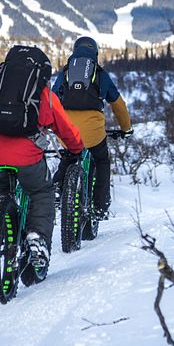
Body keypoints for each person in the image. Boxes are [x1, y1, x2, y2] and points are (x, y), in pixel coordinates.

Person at [0, 45, 84, 270]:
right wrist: (76, 149)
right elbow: (66, 129)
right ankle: (38, 239)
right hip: (27, 158)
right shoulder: (45, 96)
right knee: (42, 191)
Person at [52, 36, 132, 220]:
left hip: (67, 132)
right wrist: (126, 128)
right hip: (94, 134)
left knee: (68, 157)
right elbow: (118, 105)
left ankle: (57, 189)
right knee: (102, 161)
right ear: (95, 53)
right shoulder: (100, 74)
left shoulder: (65, 73)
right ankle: (100, 206)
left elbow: (52, 100)